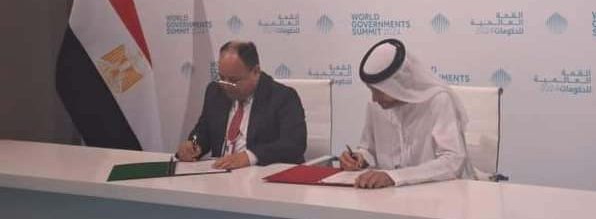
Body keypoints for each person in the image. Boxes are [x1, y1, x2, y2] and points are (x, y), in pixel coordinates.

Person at [339, 38, 474, 188]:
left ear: (399, 85)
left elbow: (453, 161)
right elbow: (369, 149)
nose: (374, 99)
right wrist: (359, 158)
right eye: (372, 90)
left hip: (437, 193)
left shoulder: (437, 100)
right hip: (386, 195)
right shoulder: (376, 105)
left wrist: (395, 177)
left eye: (380, 91)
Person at [176, 41, 307, 169]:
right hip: (220, 174)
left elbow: (294, 144)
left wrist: (250, 157)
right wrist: (194, 144)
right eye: (222, 77)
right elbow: (202, 131)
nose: (226, 85)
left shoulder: (283, 97)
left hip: (261, 175)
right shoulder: (215, 91)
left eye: (233, 80)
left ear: (255, 72)